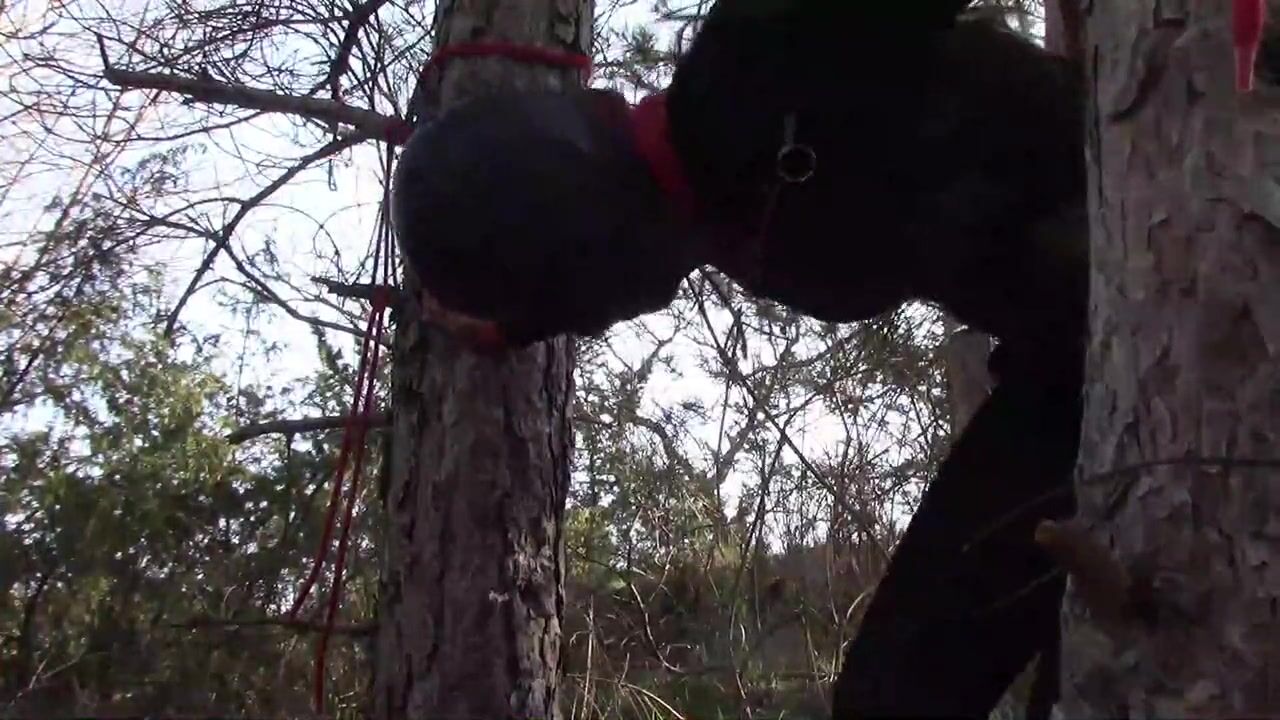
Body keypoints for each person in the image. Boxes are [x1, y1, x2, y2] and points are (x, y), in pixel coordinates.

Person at [391, 2, 1087, 717]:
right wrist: (512, 328)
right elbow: (608, 273)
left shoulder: (764, 39)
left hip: (1137, 244)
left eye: (579, 294)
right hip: (1073, 377)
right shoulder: (701, 207)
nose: (594, 320)